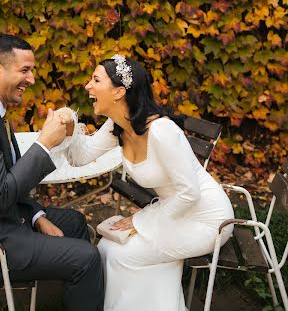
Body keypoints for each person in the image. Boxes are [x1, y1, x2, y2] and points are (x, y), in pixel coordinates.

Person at [0, 34, 104, 311]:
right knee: (87, 258)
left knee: (74, 222)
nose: (32, 78)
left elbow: (8, 176)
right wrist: (44, 143)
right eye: (24, 70)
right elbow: (0, 195)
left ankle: (73, 297)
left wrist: (36, 215)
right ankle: (77, 278)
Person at [62, 55, 234, 311]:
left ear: (119, 92)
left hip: (207, 220)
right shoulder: (118, 126)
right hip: (174, 210)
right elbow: (80, 157)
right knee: (108, 246)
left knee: (123, 255)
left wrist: (139, 220)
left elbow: (190, 194)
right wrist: (67, 129)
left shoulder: (162, 131)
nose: (87, 86)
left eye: (95, 80)